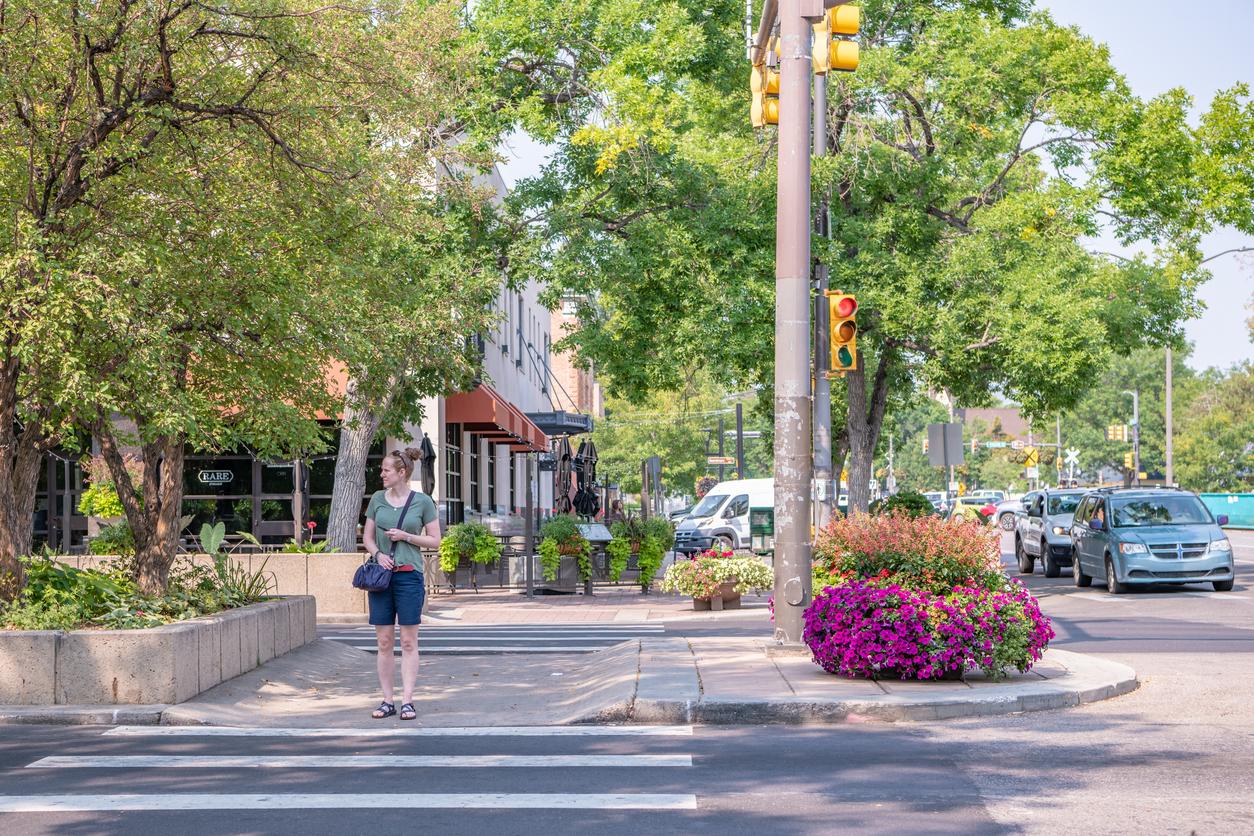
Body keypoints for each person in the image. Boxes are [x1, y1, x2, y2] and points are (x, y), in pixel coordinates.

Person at [362, 447, 441, 721]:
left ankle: (408, 701)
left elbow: (435, 540)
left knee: (408, 641)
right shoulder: (376, 500)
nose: (381, 474)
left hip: (409, 576)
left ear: (401, 472)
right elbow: (368, 538)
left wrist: (406, 536)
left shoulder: (423, 502)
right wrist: (378, 554)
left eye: (386, 470)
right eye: (382, 470)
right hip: (382, 577)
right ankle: (387, 700)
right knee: (384, 641)